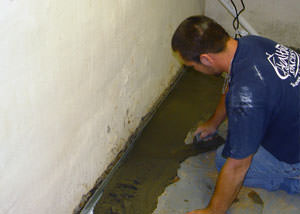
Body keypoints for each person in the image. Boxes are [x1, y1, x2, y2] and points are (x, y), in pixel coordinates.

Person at [171, 15, 300, 214]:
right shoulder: (250, 44)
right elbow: (232, 84)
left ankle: (294, 180)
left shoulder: (248, 94)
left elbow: (239, 165)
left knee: (226, 161)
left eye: (192, 66)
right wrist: (213, 123)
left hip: (295, 157)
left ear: (205, 59)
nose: (194, 70)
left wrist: (213, 211)